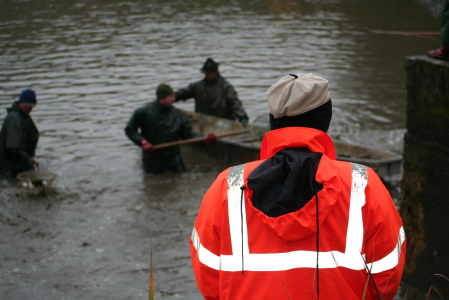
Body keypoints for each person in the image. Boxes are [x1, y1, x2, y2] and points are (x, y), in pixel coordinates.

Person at [189, 73, 406, 300]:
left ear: (272, 123)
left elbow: (209, 278)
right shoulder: (364, 184)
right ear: (326, 121)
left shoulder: (228, 184)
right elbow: (386, 278)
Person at [125, 84, 215, 174]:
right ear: (162, 98)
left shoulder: (177, 114)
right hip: (152, 159)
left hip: (173, 159)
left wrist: (203, 139)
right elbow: (130, 130)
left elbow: (187, 134)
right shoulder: (142, 112)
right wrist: (143, 142)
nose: (174, 99)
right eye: (170, 96)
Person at [175, 58, 249, 126]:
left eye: (208, 73)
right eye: (205, 74)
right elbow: (184, 93)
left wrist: (242, 117)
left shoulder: (226, 87)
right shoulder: (197, 86)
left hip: (222, 123)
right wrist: (172, 96)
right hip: (203, 121)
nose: (206, 76)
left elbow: (235, 103)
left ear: (215, 72)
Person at [0, 89, 39, 178]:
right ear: (20, 103)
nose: (29, 108)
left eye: (31, 106)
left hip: (18, 165)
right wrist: (28, 159)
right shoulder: (15, 119)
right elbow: (13, 146)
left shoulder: (24, 117)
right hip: (10, 169)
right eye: (26, 106)